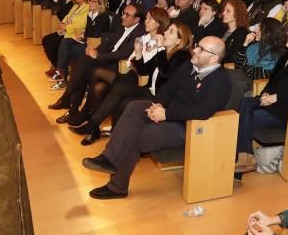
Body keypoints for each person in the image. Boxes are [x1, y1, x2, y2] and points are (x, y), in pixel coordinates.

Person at [81, 36, 231, 199]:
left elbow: (202, 111)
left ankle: (117, 187)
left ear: (214, 58)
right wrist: (159, 105)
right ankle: (109, 159)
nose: (194, 50)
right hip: (170, 113)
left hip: (189, 127)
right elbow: (168, 88)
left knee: (135, 136)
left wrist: (166, 114)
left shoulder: (221, 81)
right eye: (197, 46)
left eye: (201, 49)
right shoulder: (189, 65)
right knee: (135, 107)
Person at [75, 20, 194, 145]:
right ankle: (102, 128)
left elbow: (166, 73)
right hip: (151, 91)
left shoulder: (182, 56)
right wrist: (138, 53)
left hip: (163, 100)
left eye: (171, 32)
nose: (165, 33)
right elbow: (144, 70)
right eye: (168, 29)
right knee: (120, 88)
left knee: (123, 98)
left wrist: (159, 48)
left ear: (179, 41)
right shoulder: (165, 52)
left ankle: (97, 127)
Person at [234, 22, 288, 173]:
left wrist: (276, 97)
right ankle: (246, 157)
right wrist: (265, 94)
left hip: (287, 108)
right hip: (273, 102)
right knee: (244, 104)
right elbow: (274, 81)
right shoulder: (286, 55)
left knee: (244, 118)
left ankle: (245, 159)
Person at [42, 0, 90, 86]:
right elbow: (67, 17)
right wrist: (63, 24)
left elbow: (81, 24)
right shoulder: (75, 5)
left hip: (74, 34)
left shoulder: (87, 7)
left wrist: (66, 26)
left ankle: (61, 73)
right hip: (66, 31)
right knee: (46, 40)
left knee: (55, 44)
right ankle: (57, 67)